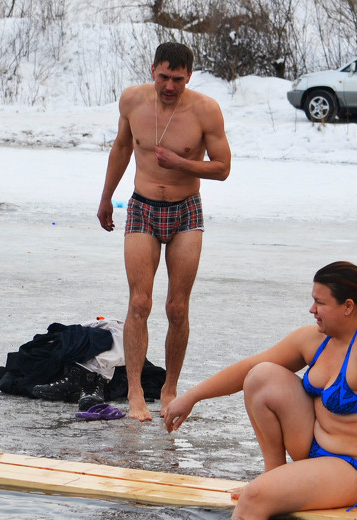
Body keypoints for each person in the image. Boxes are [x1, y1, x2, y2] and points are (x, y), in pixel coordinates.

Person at [164, 261, 357, 520]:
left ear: (348, 306)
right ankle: (273, 473)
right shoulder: (315, 339)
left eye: (320, 303)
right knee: (262, 374)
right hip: (314, 445)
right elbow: (250, 366)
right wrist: (192, 396)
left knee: (254, 499)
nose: (312, 309)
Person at [97, 42, 231, 421]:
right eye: (163, 77)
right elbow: (122, 148)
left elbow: (222, 168)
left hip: (186, 210)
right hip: (142, 206)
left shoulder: (205, 110)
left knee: (177, 307)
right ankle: (136, 391)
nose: (169, 86)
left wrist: (181, 163)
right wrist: (107, 198)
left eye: (177, 79)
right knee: (139, 303)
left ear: (189, 76)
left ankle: (170, 387)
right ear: (152, 69)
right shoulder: (133, 101)